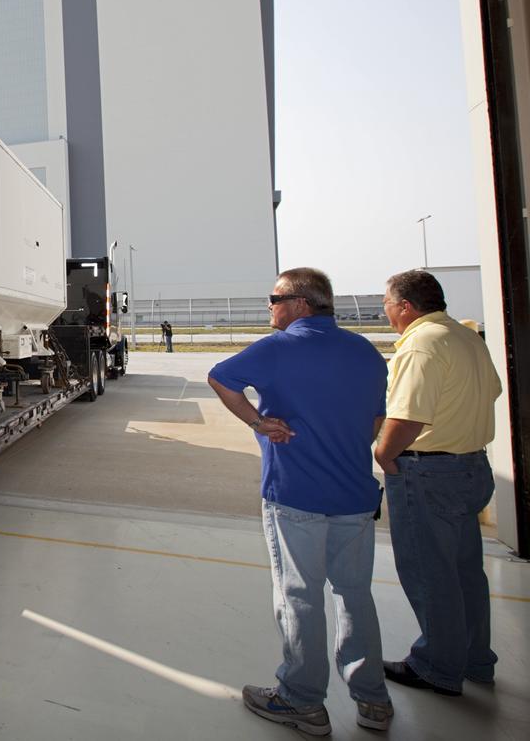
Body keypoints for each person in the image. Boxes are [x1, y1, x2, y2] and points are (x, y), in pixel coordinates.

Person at [208, 267, 393, 735]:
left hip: (296, 495)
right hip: (354, 496)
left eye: (275, 298)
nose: (269, 306)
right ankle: (372, 699)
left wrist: (258, 422)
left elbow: (220, 378)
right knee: (354, 595)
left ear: (300, 303)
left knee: (299, 597)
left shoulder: (279, 347)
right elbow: (374, 422)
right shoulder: (365, 351)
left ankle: (302, 700)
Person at [375, 269, 502, 696]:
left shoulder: (421, 345)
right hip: (472, 468)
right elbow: (494, 391)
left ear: (406, 306)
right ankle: (474, 658)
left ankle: (436, 666)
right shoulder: (465, 337)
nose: (386, 311)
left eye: (388, 304)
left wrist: (383, 453)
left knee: (430, 571)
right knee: (466, 571)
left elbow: (408, 415)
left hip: (428, 472)